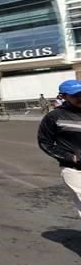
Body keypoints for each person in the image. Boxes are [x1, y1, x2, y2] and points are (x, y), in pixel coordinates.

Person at [37, 79, 81, 218]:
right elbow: (45, 143)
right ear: (63, 96)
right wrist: (71, 157)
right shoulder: (54, 117)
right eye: (76, 96)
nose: (80, 98)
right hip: (74, 170)